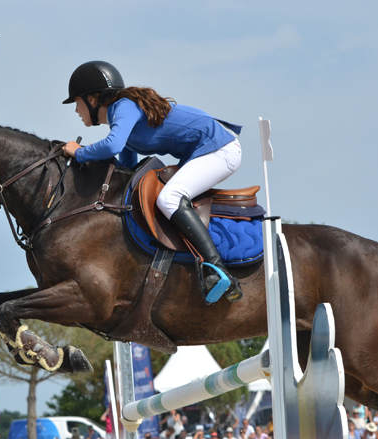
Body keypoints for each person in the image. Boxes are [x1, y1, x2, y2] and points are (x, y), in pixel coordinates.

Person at [62, 61, 244, 303]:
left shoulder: (123, 107)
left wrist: (79, 152)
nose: (76, 110)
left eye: (77, 103)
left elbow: (113, 145)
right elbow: (126, 168)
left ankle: (216, 268)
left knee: (169, 197)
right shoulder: (122, 120)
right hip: (208, 151)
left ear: (93, 99)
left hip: (220, 149)